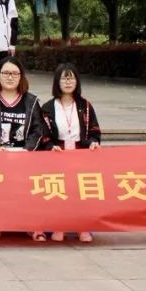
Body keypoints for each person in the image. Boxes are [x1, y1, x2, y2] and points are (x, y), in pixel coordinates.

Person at [0, 57, 47, 241]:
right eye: (6, 73)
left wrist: (27, 150)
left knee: (30, 188)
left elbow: (38, 130)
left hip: (24, 156)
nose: (10, 77)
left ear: (21, 77)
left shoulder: (31, 101)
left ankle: (32, 225)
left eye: (15, 73)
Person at [41, 63, 101, 243]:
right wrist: (50, 146)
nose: (68, 82)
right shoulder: (48, 107)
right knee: (59, 191)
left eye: (71, 78)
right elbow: (43, 134)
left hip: (80, 152)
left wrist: (93, 142)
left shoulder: (85, 106)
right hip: (57, 153)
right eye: (64, 78)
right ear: (57, 82)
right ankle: (58, 226)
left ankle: (83, 227)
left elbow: (94, 131)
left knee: (80, 191)